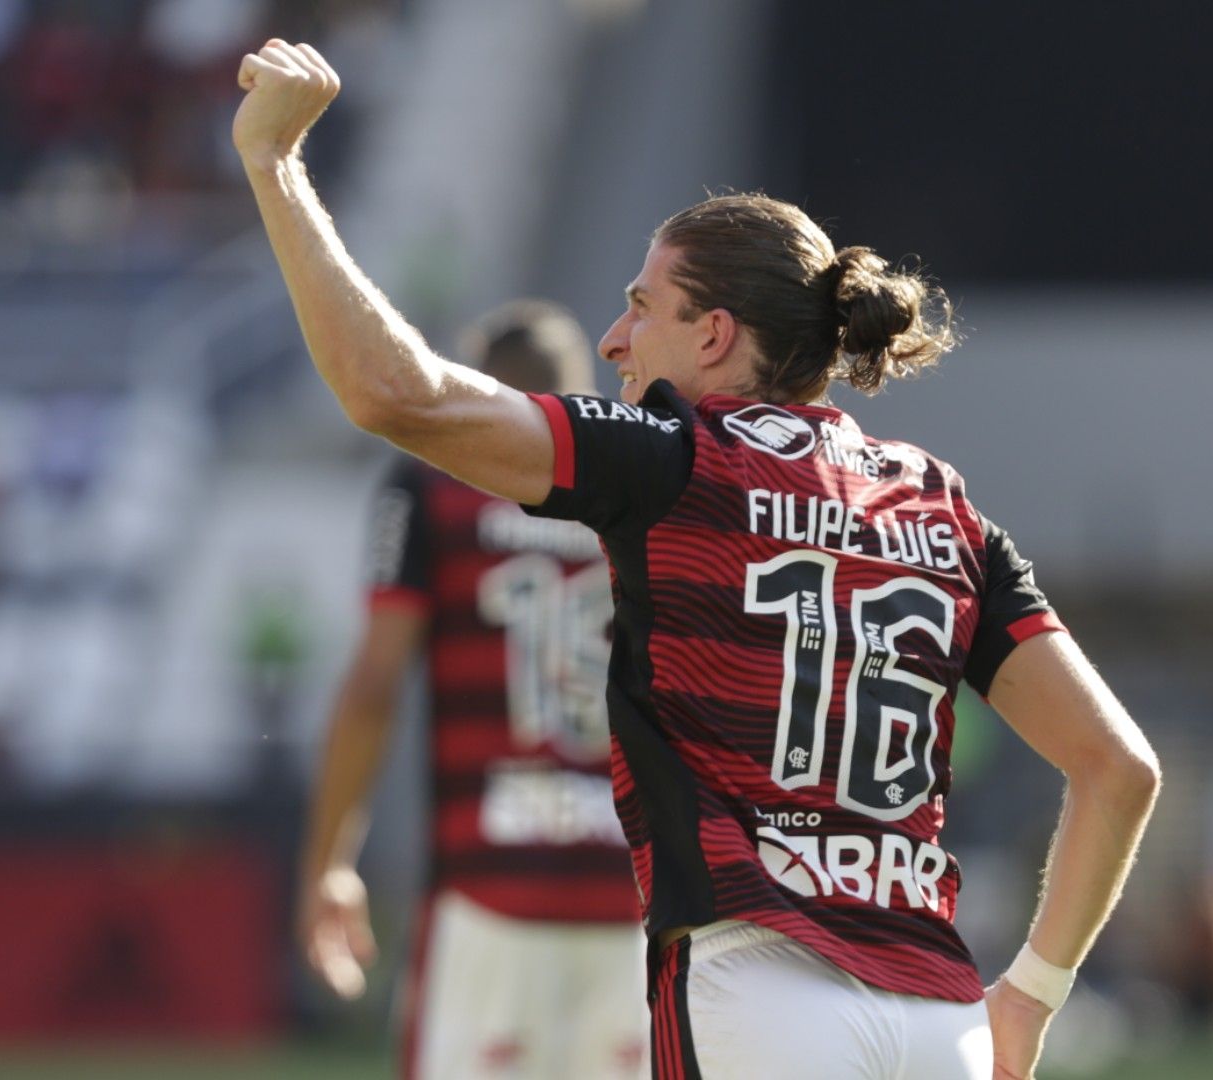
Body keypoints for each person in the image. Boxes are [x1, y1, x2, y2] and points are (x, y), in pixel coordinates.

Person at [236, 39, 1161, 1080]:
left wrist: (276, 167)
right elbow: (1119, 768)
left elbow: (397, 396)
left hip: (758, 994)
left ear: (714, 334)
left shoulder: (678, 459)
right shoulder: (941, 503)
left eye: (642, 305)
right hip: (936, 1017)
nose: (614, 338)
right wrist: (1031, 995)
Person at [297, 299, 648, 1079]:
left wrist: (329, 862)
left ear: (480, 390)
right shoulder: (639, 492)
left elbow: (374, 684)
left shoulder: (430, 485)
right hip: (636, 896)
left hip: (488, 890)